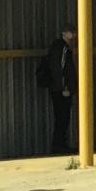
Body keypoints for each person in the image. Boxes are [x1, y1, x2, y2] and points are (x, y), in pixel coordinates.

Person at [36, 27, 75, 156]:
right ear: (64, 33)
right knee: (62, 118)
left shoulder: (59, 47)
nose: (73, 34)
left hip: (57, 88)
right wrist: (65, 87)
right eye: (71, 32)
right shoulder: (62, 48)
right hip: (61, 90)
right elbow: (60, 70)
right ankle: (59, 146)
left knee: (61, 118)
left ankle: (60, 145)